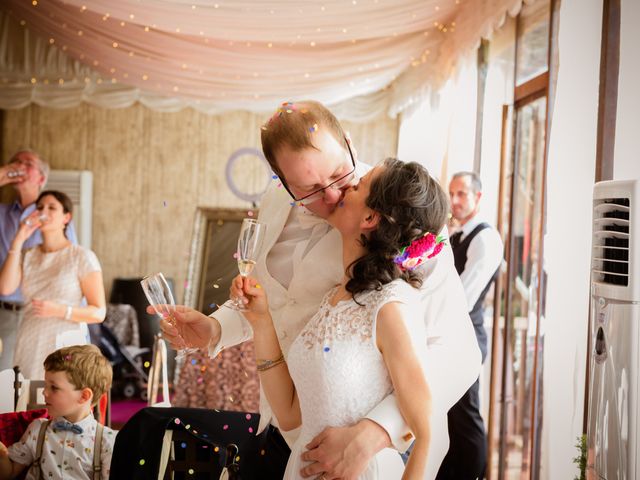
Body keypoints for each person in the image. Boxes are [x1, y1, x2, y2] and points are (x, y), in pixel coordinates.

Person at [159, 101, 481, 479]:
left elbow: (459, 353)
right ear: (281, 179)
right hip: (284, 426)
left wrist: (374, 432)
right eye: (308, 189)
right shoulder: (275, 203)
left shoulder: (402, 212)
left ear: (348, 142)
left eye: (339, 175)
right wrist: (217, 328)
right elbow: (272, 297)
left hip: (356, 452)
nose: (331, 197)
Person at [233, 158, 446, 479]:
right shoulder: (334, 297)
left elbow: (430, 433)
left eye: (358, 185)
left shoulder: (391, 306)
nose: (346, 186)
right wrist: (261, 322)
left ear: (371, 217)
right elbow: (290, 413)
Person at [436, 171, 503, 480]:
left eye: (462, 193)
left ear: (478, 197)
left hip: (467, 338)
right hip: (451, 334)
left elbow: (463, 296)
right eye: (452, 193)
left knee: (466, 415)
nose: (455, 200)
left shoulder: (486, 238)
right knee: (450, 414)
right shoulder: (454, 235)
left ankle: (473, 474)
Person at [0, 190, 105, 379]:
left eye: (52, 207)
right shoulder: (28, 255)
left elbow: (98, 312)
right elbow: (5, 288)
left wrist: (60, 310)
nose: (43, 212)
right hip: (29, 340)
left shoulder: (81, 256)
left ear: (66, 217)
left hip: (65, 341)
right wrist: (19, 239)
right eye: (40, 207)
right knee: (27, 400)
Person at [0, 150, 78, 370]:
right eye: (16, 162)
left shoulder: (56, 220)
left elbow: (71, 266)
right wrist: (4, 174)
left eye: (28, 164)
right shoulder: (2, 213)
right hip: (3, 311)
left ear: (42, 179)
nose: (20, 166)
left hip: (41, 317)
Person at [0, 344, 117, 480]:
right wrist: (2, 454)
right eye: (45, 385)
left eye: (54, 387)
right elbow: (9, 473)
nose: (44, 392)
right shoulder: (37, 430)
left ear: (84, 396)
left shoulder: (106, 442)